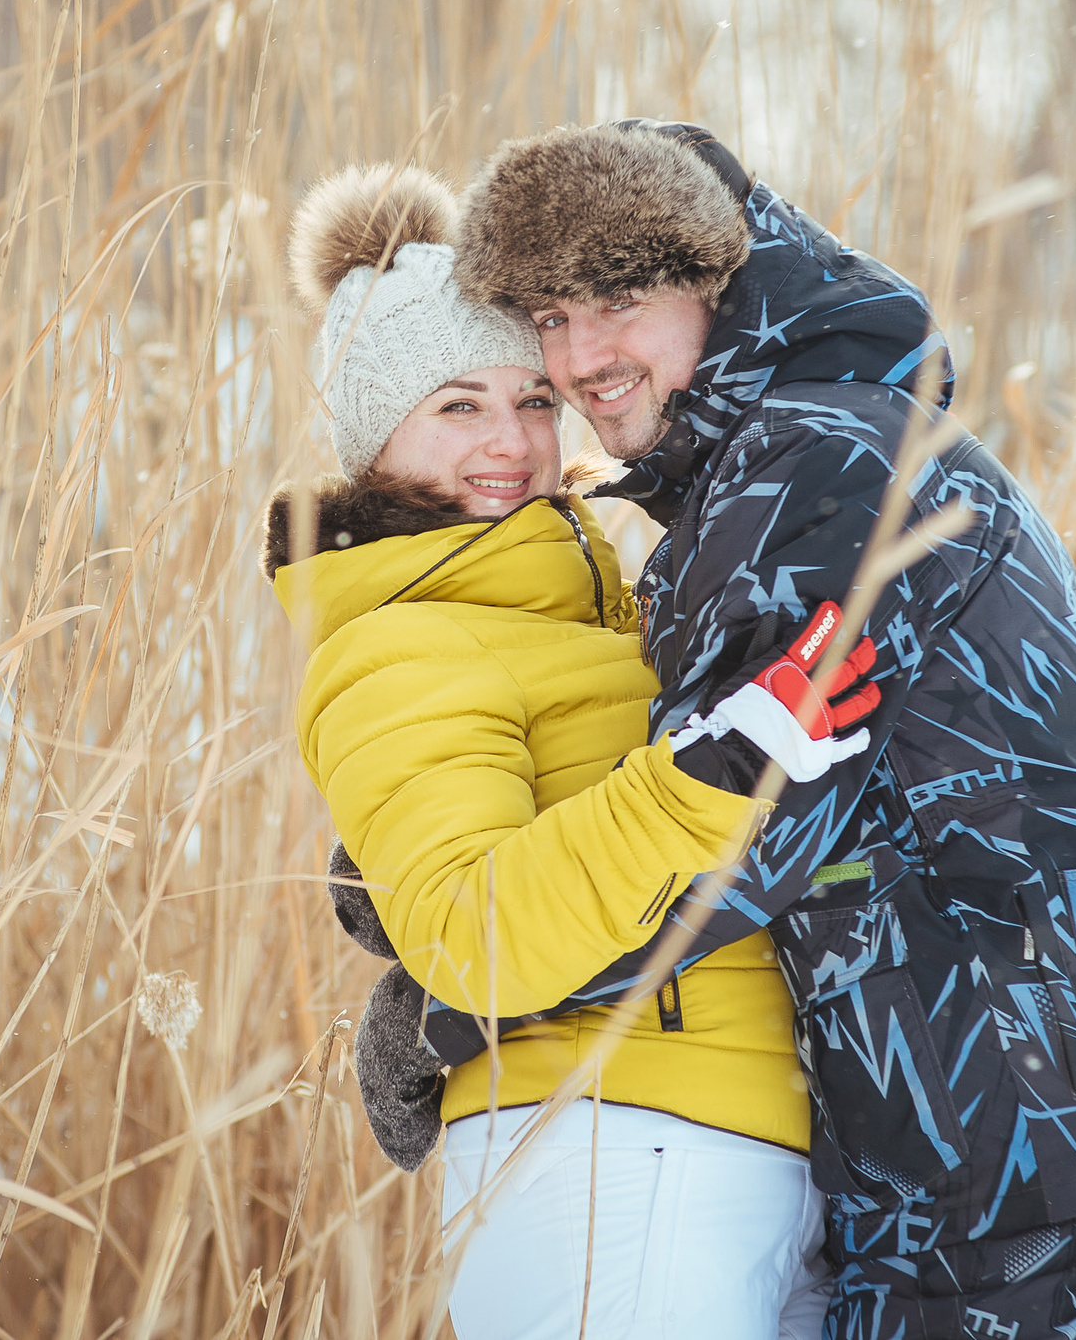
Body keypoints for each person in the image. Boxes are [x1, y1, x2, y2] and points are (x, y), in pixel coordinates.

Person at [450, 120, 1076, 1340]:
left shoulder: (809, 467)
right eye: (549, 317)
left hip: (1003, 1136)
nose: (580, 355)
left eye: (617, 299)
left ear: (714, 282)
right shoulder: (812, 439)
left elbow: (726, 830)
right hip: (1023, 1111)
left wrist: (458, 997)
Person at [265, 162, 890, 1340]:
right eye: (456, 405)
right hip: (609, 1154)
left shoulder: (595, 608)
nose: (510, 441)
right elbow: (471, 930)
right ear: (372, 434)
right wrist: (712, 770)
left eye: (531, 401)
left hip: (733, 1146)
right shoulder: (398, 643)